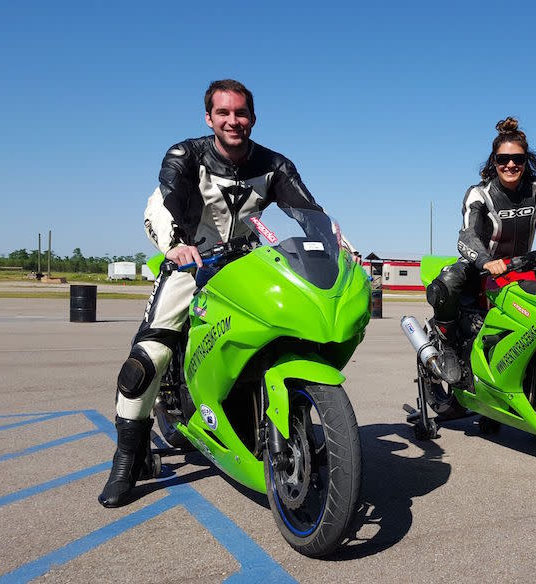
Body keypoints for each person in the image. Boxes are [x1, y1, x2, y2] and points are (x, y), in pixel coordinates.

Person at [99, 79, 359, 508]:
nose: (233, 120)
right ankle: (129, 458)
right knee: (148, 359)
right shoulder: (187, 155)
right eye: (224, 113)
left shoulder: (274, 163)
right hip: (191, 257)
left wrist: (338, 245)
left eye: (240, 113)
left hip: (245, 261)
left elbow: (308, 211)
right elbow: (167, 201)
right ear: (209, 118)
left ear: (252, 118)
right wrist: (178, 246)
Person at [426, 117, 536, 383]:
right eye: (503, 159)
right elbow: (467, 234)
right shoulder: (479, 194)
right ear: (494, 161)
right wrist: (485, 261)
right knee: (449, 280)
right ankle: (446, 346)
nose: (511, 164)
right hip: (480, 268)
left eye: (518, 158)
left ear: (527, 160)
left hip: (520, 267)